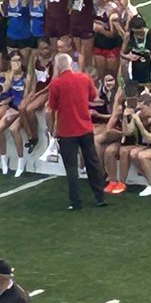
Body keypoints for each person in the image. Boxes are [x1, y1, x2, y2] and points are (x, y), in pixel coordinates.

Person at [46, 53, 108, 210]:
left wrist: (52, 130)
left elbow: (51, 108)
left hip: (67, 131)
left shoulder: (56, 84)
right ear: (71, 64)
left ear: (58, 66)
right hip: (85, 127)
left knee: (71, 167)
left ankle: (76, 201)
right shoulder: (84, 78)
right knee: (92, 162)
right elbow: (94, 97)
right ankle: (99, 196)